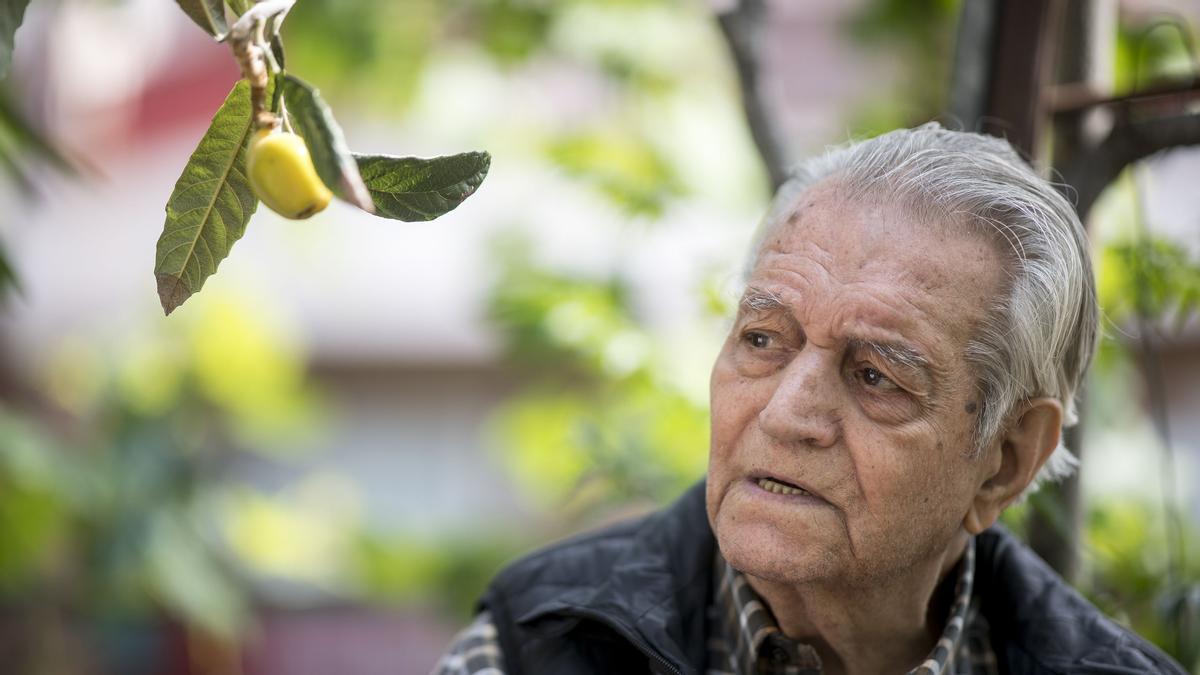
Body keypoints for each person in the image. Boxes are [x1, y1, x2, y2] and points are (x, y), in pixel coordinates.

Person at [430, 124, 1187, 675]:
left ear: (1005, 462)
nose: (786, 412)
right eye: (763, 339)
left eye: (875, 376)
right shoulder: (538, 646)